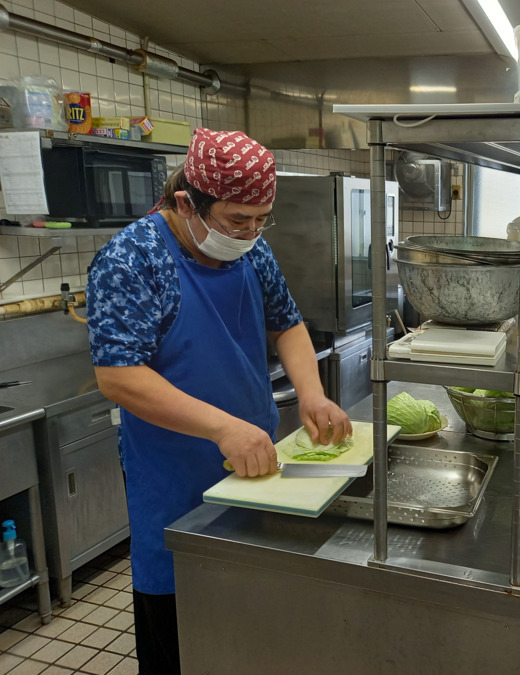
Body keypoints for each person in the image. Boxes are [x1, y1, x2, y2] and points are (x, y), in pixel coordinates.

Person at [85, 128, 351, 673]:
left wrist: (313, 394)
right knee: (182, 615)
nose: (250, 232)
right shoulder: (132, 259)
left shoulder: (251, 250)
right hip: (173, 468)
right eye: (237, 220)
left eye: (261, 220)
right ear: (187, 202)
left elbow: (287, 323)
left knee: (247, 611)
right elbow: (119, 376)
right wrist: (222, 428)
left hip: (255, 457)